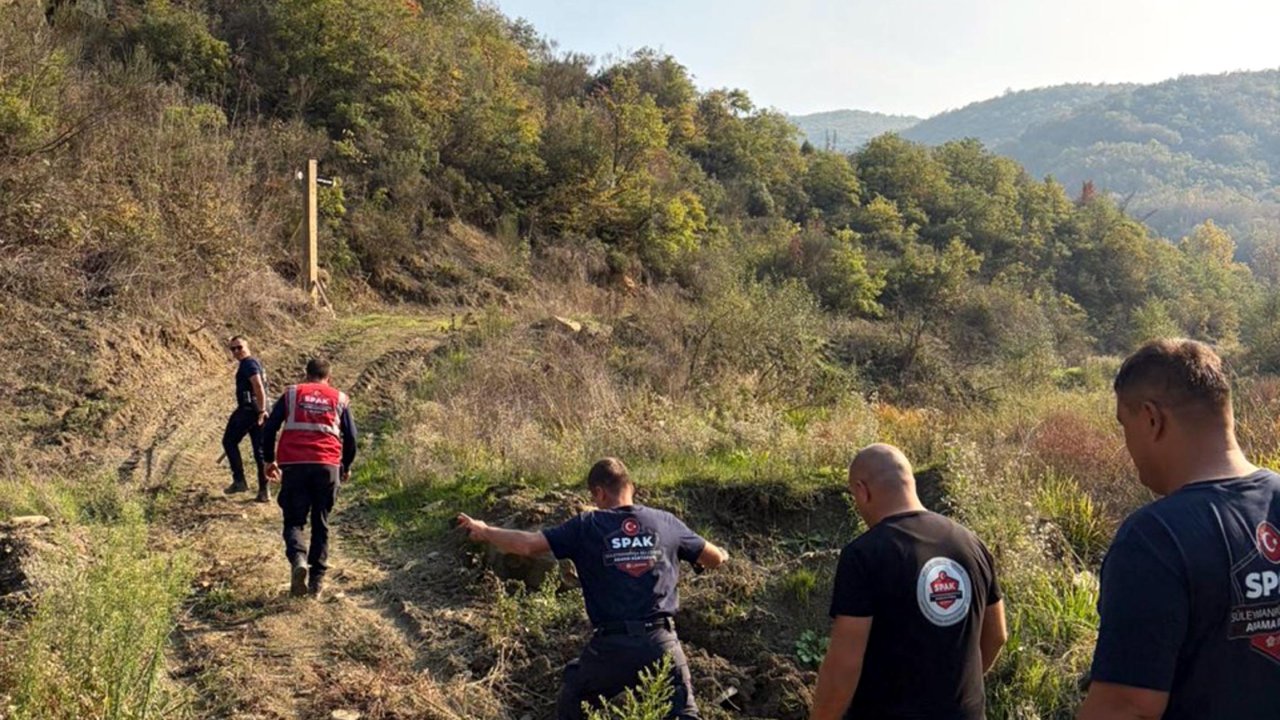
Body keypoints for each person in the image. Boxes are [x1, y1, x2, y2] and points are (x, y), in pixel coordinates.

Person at [1079, 339, 1280, 720]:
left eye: (1125, 426)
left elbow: (1126, 709)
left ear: (1152, 420)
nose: (1128, 447)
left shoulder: (1154, 540)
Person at [457, 457, 729, 720]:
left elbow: (527, 545)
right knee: (683, 715)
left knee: (573, 702)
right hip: (661, 643)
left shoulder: (587, 526)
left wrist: (486, 530)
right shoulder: (666, 522)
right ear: (630, 487)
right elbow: (713, 558)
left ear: (598, 493)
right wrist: (723, 554)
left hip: (609, 649)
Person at [810, 443, 1007, 720]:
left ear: (861, 490)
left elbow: (844, 665)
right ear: (910, 483)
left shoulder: (865, 554)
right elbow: (997, 636)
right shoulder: (971, 544)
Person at [261, 357, 357, 598]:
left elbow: (270, 427)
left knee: (294, 520)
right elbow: (352, 438)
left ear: (306, 375)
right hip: (327, 465)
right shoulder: (340, 399)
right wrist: (345, 465)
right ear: (329, 378)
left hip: (294, 465)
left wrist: (268, 459)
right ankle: (316, 582)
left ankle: (298, 560)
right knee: (320, 521)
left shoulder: (292, 393)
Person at [223, 336, 271, 502]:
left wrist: (262, 409)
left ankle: (239, 481)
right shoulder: (255, 362)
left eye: (239, 347)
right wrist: (263, 410)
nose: (236, 351)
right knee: (260, 452)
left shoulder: (248, 364)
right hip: (258, 411)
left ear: (247, 346)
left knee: (229, 441)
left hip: (249, 410)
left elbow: (257, 385)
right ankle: (264, 491)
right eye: (233, 349)